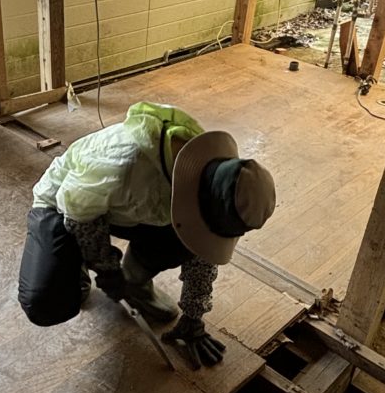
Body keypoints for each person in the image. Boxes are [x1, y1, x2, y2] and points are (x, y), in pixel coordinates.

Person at [18, 102, 276, 369]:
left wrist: (193, 317)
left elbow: (202, 254)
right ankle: (75, 263)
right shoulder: (123, 164)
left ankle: (134, 284)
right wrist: (105, 267)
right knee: (46, 302)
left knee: (184, 243)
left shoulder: (208, 180)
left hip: (132, 207)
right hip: (64, 203)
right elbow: (78, 213)